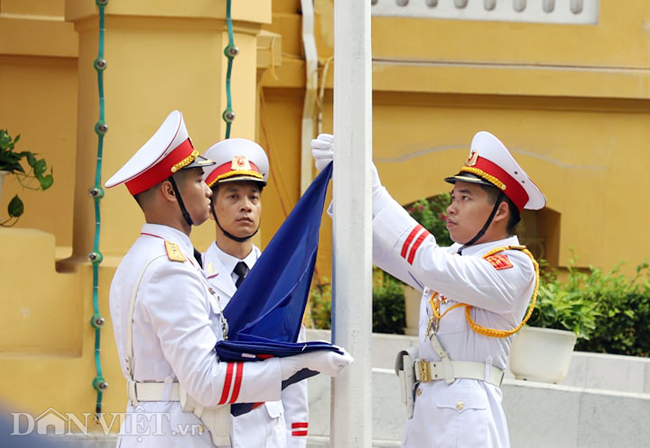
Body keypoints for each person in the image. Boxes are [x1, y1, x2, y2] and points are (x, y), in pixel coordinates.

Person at [105, 110, 353, 448]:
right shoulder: (169, 268)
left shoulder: (143, 256)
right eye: (196, 181)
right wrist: (297, 364)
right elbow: (205, 381)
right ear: (168, 191)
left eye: (253, 196)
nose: (206, 191)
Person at [311, 131, 545, 448]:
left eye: (465, 198)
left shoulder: (514, 267)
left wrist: (376, 194)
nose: (451, 207)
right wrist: (353, 189)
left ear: (500, 211)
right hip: (427, 407)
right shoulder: (453, 259)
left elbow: (429, 263)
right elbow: (382, 252)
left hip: (467, 416)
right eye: (453, 197)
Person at [200, 138, 310, 448]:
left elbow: (295, 372)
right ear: (210, 207)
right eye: (233, 196)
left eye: (253, 197)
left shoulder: (282, 279)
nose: (246, 206)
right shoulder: (194, 274)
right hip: (212, 430)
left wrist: (296, 442)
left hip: (269, 435)